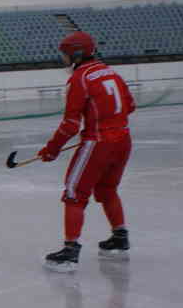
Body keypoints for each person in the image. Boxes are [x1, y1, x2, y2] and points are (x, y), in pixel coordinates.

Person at [39, 31, 135, 272]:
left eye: (65, 54)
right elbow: (130, 106)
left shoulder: (80, 78)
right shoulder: (111, 72)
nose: (63, 58)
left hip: (97, 144)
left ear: (77, 54)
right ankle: (120, 237)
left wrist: (51, 150)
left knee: (74, 193)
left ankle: (70, 252)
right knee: (107, 189)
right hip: (123, 139)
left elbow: (70, 125)